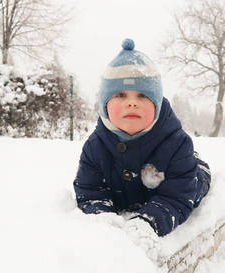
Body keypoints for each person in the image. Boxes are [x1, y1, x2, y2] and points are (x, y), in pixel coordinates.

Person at [73, 38, 211, 237]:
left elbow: (176, 197)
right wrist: (103, 219)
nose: (132, 103)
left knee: (196, 180)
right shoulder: (95, 147)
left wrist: (149, 222)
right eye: (120, 95)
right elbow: (90, 193)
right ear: (104, 105)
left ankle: (198, 164)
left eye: (142, 96)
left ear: (156, 104)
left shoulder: (177, 144)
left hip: (187, 178)